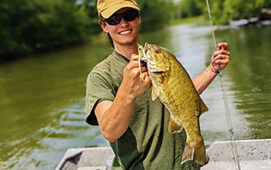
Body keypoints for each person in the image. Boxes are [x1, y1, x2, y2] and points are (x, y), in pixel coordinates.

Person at [85, 0, 230, 169]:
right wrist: (127, 91)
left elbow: (181, 96)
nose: (123, 23)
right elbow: (110, 132)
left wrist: (212, 69)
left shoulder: (161, 56)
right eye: (114, 19)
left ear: (138, 18)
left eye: (129, 16)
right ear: (104, 25)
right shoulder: (101, 75)